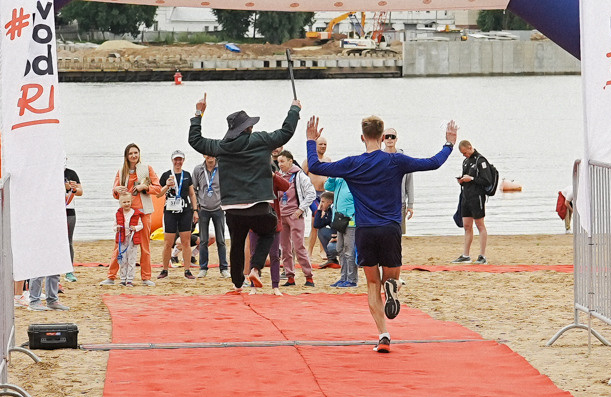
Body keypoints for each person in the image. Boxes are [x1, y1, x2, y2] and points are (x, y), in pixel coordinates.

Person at [305, 113, 458, 349]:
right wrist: (449, 143)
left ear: (362, 137)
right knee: (391, 277)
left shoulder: (352, 163)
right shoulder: (396, 160)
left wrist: (311, 141)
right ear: (382, 135)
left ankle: (383, 335)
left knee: (372, 284)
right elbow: (433, 162)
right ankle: (393, 286)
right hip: (390, 228)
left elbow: (315, 166)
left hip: (365, 230)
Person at [187, 93, 301, 292]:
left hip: (232, 207)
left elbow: (195, 140)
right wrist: (294, 109)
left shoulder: (222, 146)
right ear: (248, 128)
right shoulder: (261, 139)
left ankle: (238, 283)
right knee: (268, 232)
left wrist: (199, 113)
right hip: (259, 204)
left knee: (237, 244)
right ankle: (255, 268)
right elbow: (286, 132)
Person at [112, 143, 157, 285]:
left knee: (145, 246)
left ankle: (146, 277)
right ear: (126, 156)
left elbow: (157, 188)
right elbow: (115, 193)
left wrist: (145, 187)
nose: (133, 156)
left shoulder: (147, 169)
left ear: (139, 154)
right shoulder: (121, 171)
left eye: (135, 153)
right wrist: (116, 190)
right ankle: (111, 276)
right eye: (130, 153)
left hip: (143, 212)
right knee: (119, 245)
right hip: (126, 213)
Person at [273, 150, 315, 286]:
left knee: (298, 247)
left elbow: (311, 193)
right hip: (282, 215)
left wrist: (300, 209)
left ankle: (309, 277)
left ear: (290, 161)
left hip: (295, 215)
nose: (280, 164)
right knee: (285, 248)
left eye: (282, 161)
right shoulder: (279, 176)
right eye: (278, 162)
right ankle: (290, 277)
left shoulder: (300, 175)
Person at [453, 137, 498, 262]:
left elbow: (486, 180)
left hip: (477, 197)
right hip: (466, 196)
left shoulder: (480, 160)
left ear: (470, 147)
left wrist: (471, 179)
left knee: (480, 224)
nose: (464, 155)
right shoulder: (466, 161)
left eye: (465, 152)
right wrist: (462, 180)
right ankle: (466, 255)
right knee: (467, 226)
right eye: (462, 154)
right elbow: (466, 178)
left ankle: (482, 255)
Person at [159, 152, 197, 277]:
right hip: (170, 211)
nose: (178, 162)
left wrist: (195, 210)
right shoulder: (166, 175)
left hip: (185, 211)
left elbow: (192, 194)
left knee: (186, 242)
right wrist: (167, 186)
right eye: (176, 160)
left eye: (180, 160)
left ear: (183, 160)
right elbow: (158, 194)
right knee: (168, 243)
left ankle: (187, 270)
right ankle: (165, 270)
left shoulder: (187, 175)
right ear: (172, 160)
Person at [195, 154, 227, 273]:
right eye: (207, 153)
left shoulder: (222, 168)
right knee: (203, 240)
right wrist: (196, 206)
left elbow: (227, 186)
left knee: (221, 240)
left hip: (218, 209)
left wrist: (225, 203)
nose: (210, 156)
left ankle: (224, 268)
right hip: (203, 210)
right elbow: (193, 189)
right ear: (203, 155)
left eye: (212, 153)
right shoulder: (198, 169)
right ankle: (203, 268)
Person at [326, 170, 357, 288]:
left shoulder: (354, 181)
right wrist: (332, 175)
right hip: (339, 221)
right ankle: (343, 277)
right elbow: (327, 187)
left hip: (351, 221)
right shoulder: (338, 180)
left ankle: (352, 279)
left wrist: (352, 215)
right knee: (340, 249)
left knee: (349, 251)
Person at [380, 131, 416, 225]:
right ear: (383, 139)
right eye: (387, 136)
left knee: (399, 231)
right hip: (382, 204)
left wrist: (410, 205)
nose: (389, 139)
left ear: (396, 139)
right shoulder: (378, 158)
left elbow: (409, 183)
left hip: (400, 204)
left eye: (392, 137)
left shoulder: (404, 159)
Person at [62, 167, 83, 283]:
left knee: (68, 241)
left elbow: (80, 192)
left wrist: (72, 188)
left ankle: (69, 271)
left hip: (69, 211)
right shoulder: (50, 171)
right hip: (54, 211)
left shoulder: (71, 173)